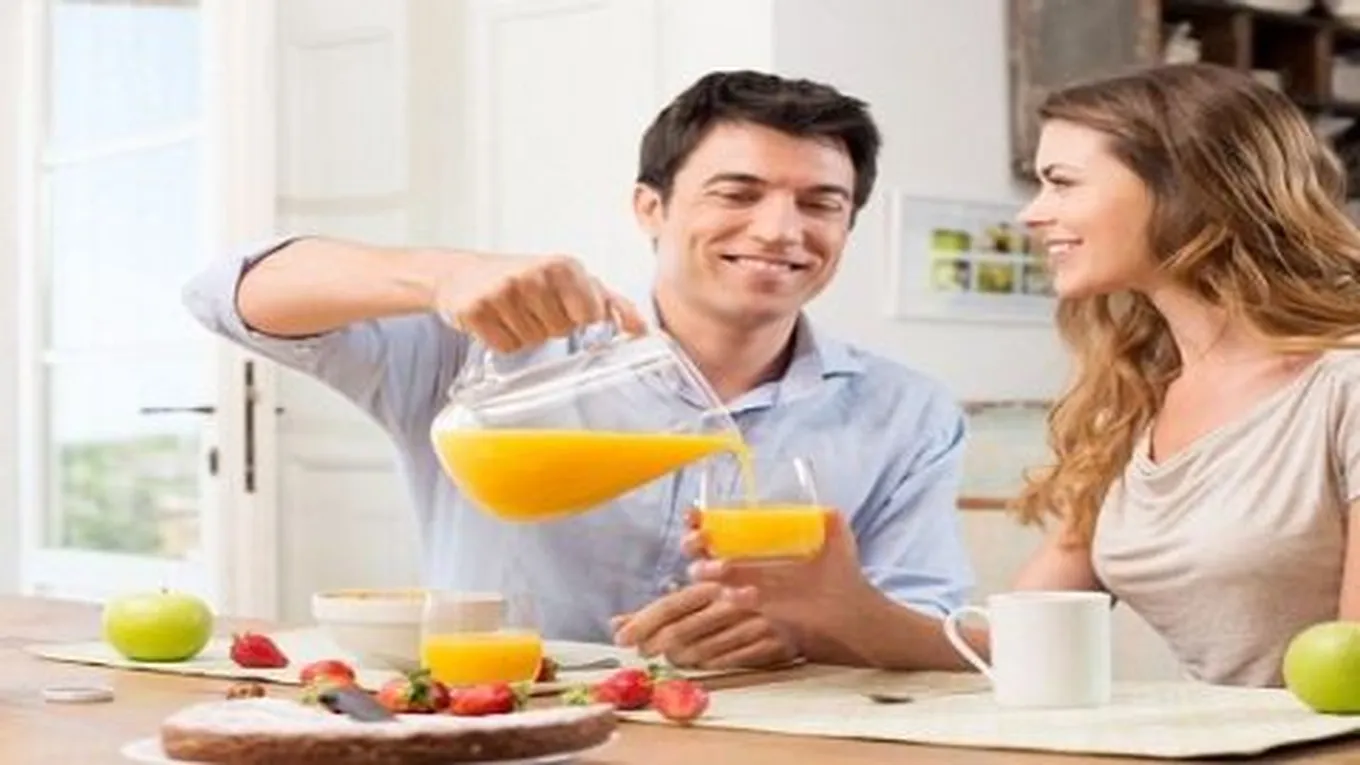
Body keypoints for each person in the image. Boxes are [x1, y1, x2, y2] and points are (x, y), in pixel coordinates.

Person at [183, 69, 975, 669]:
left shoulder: (908, 412)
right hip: (500, 721)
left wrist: (811, 625)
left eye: (820, 203)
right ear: (650, 208)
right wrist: (441, 275)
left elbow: (936, 633)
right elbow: (225, 293)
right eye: (738, 192)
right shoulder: (494, 342)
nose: (779, 229)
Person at [685, 62, 1360, 686]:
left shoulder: (1344, 388)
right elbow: (1014, 644)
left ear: (1184, 187)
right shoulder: (1133, 405)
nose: (1031, 212)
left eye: (1062, 182)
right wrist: (838, 609)